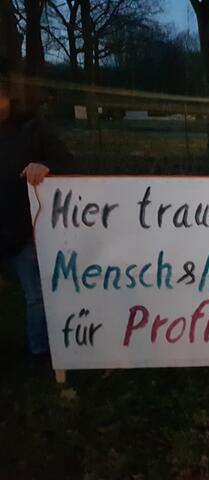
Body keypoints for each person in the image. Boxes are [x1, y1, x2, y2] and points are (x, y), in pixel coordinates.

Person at [1, 61, 72, 360]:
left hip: (23, 231)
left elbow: (68, 162)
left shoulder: (31, 128)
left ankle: (40, 351)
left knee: (36, 297)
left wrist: (46, 167)